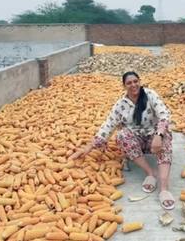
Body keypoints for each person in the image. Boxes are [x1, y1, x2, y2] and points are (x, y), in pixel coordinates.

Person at [70, 71, 175, 210]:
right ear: (124, 86)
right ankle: (150, 173)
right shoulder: (121, 105)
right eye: (129, 83)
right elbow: (108, 125)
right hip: (136, 141)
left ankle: (164, 188)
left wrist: (159, 135)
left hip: (154, 138)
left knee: (166, 136)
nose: (133, 85)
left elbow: (164, 114)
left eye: (135, 81)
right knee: (121, 135)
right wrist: (89, 147)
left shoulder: (150, 95)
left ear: (139, 81)